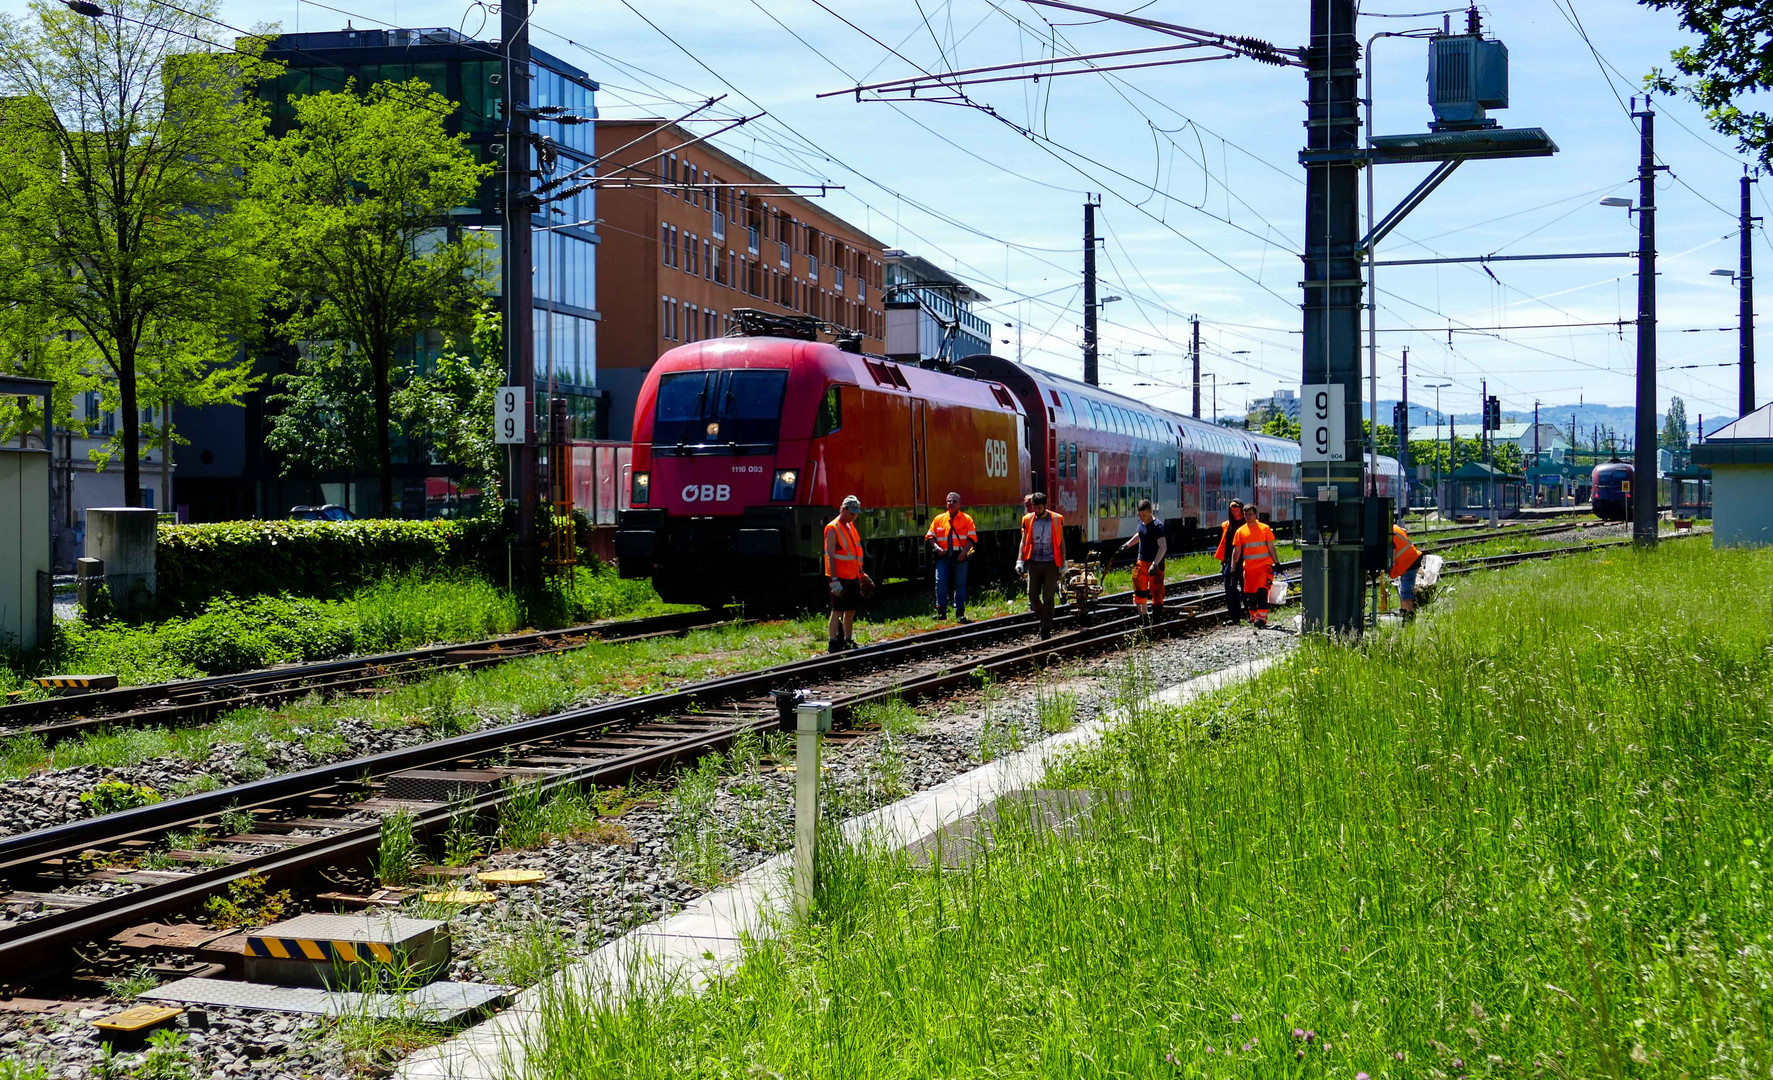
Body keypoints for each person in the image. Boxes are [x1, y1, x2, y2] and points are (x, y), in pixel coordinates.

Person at [823, 495, 871, 652]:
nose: (854, 516)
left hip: (852, 576)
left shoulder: (850, 527)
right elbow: (830, 556)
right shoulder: (833, 528)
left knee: (850, 609)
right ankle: (832, 642)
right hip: (839, 577)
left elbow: (854, 553)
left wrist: (861, 573)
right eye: (852, 513)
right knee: (836, 610)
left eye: (856, 513)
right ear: (843, 510)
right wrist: (834, 580)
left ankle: (848, 640)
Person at [1016, 492, 1065, 639]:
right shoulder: (1027, 519)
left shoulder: (1056, 519)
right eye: (1034, 507)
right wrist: (1020, 560)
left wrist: (1064, 563)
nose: (1036, 510)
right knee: (1032, 596)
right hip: (1034, 562)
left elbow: (1061, 542)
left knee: (1048, 596)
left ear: (1045, 505)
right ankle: (1044, 617)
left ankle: (1045, 627)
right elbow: (1023, 541)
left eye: (1039, 507)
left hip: (1051, 563)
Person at [925, 491, 977, 622]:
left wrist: (963, 554)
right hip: (943, 557)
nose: (951, 503)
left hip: (960, 556)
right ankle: (941, 612)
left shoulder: (967, 519)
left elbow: (971, 539)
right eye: (949, 501)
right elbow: (930, 536)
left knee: (960, 585)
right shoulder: (939, 519)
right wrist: (937, 548)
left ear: (960, 504)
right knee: (940, 582)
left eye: (954, 501)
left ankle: (960, 612)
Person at [1117, 498, 1167, 624]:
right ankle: (1143, 618)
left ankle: (1156, 619)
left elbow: (1163, 546)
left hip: (1154, 564)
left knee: (1157, 591)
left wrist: (1155, 564)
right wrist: (1127, 545)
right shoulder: (1142, 523)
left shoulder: (1157, 527)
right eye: (1140, 515)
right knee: (1139, 590)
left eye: (1144, 515)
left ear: (1150, 512)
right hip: (1141, 562)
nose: (1142, 517)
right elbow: (1140, 534)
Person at [1231, 506, 1279, 629]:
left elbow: (1271, 547)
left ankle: (1261, 619)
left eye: (1250, 514)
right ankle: (1253, 618)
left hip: (1264, 567)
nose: (1248, 517)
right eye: (1246, 515)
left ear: (1255, 514)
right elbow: (1236, 551)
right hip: (1249, 569)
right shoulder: (1240, 531)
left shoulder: (1265, 528)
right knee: (1250, 595)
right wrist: (1233, 567)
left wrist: (1277, 563)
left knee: (1262, 592)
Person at [1212, 499, 1246, 622]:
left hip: (1245, 560)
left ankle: (1250, 614)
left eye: (1236, 507)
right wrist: (1223, 561)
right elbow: (1225, 545)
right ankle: (1234, 616)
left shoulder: (1247, 523)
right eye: (1232, 508)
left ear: (1241, 508)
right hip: (1230, 561)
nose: (1234, 510)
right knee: (1230, 588)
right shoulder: (1227, 525)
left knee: (1246, 589)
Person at [1389, 520, 1424, 620]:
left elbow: (1393, 555)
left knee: (1406, 591)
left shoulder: (1389, 534)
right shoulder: (1394, 528)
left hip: (1408, 562)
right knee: (1404, 590)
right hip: (1411, 559)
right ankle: (1405, 614)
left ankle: (1408, 617)